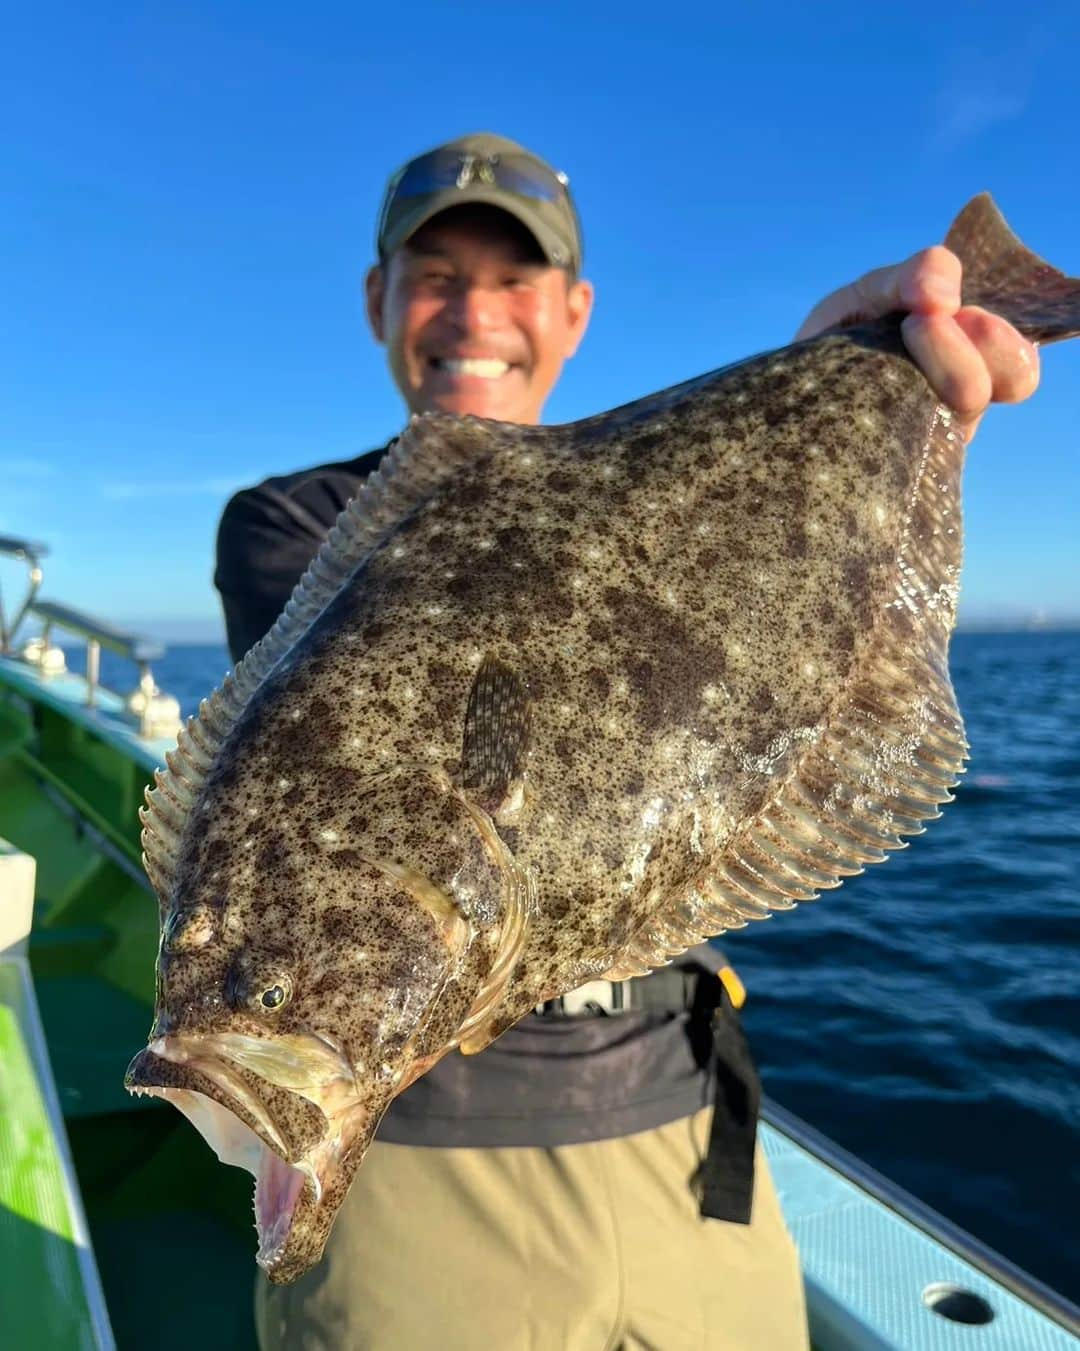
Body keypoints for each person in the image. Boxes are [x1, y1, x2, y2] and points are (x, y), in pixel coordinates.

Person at [214, 133, 1039, 1351]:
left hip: (687, 1115)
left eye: (515, 280)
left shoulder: (663, 491)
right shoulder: (299, 529)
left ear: (576, 309)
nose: (473, 313)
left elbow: (672, 556)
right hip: (426, 1149)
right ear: (379, 298)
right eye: (435, 273)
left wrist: (847, 374)